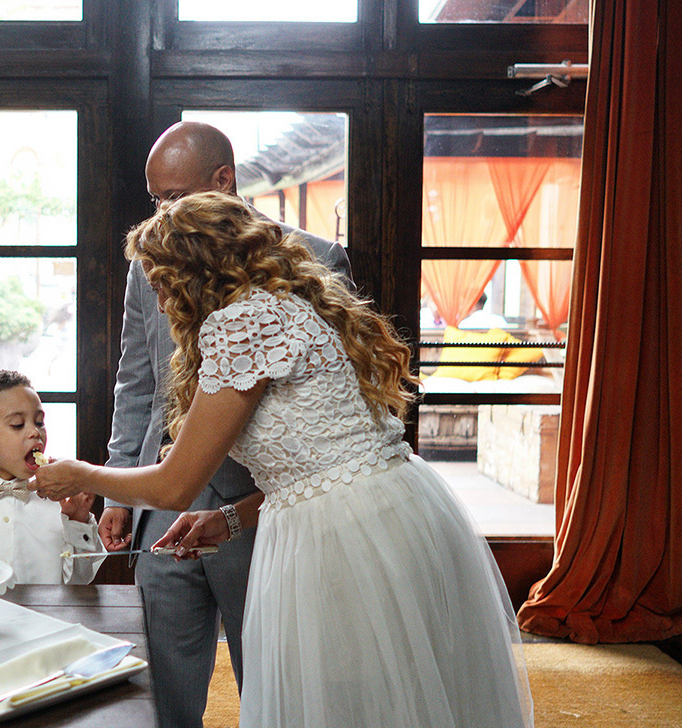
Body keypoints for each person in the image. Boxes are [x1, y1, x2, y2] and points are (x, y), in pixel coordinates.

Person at [31, 192, 534, 728]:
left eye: (160, 285)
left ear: (193, 272)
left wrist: (78, 475)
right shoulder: (281, 305)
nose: (158, 304)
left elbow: (176, 485)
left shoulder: (243, 325)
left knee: (348, 700)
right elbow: (317, 463)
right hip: (381, 509)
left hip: (345, 536)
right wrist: (228, 517)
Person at [101, 121, 353, 727]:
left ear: (224, 181)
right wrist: (115, 481)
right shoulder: (149, 262)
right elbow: (138, 379)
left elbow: (342, 395)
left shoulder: (314, 259)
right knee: (158, 682)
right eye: (155, 198)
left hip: (262, 507)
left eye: (176, 196)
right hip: (160, 503)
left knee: (270, 677)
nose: (163, 212)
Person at [0, 370, 104, 584]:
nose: (35, 432)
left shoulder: (61, 501)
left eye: (39, 422)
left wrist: (77, 522)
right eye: (17, 425)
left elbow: (80, 582)